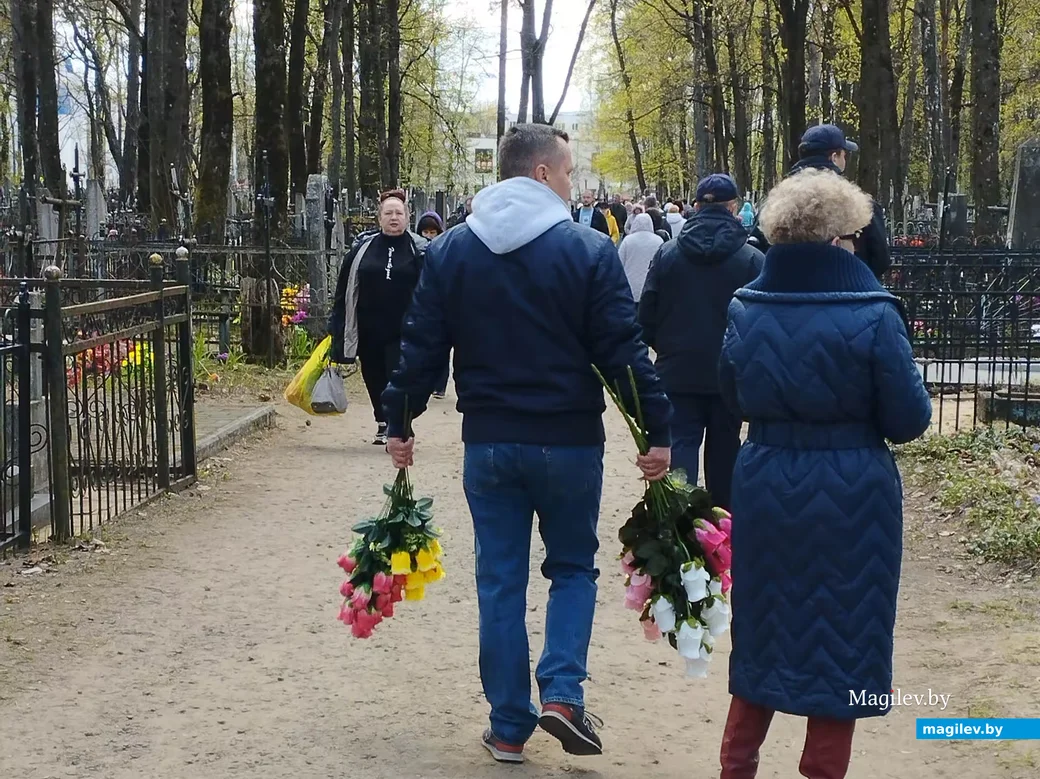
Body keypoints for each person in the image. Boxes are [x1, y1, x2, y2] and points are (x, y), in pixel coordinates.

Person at [381, 123, 672, 764]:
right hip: (569, 440)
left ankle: (509, 724)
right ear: (542, 173)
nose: (572, 184)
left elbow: (421, 346)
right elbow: (623, 355)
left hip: (488, 442)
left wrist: (399, 422)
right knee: (572, 567)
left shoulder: (453, 251)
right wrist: (656, 433)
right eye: (568, 172)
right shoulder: (588, 251)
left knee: (499, 581)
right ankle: (563, 694)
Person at [716, 168, 931, 778]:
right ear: (841, 239)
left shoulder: (745, 308)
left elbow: (731, 396)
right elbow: (908, 419)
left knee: (763, 632)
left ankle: (736, 769)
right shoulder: (873, 311)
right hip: (853, 491)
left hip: (766, 479)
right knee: (845, 634)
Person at [638, 173, 763, 511]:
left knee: (680, 458)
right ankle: (723, 539)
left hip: (677, 372)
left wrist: (666, 345)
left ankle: (681, 542)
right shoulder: (752, 260)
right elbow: (760, 323)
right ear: (734, 207)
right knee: (725, 457)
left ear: (695, 206)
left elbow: (646, 315)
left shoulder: (667, 254)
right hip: (729, 375)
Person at [327, 189, 429, 445]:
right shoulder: (362, 249)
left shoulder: (420, 250)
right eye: (388, 213)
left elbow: (433, 288)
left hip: (405, 329)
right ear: (379, 218)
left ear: (407, 216)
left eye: (398, 213)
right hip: (368, 328)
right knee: (373, 376)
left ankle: (399, 422)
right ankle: (383, 421)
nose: (394, 218)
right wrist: (338, 324)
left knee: (399, 375)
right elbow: (345, 288)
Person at [749, 124, 891, 279]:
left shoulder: (776, 204)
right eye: (844, 155)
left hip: (784, 294)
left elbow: (757, 253)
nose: (845, 160)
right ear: (834, 157)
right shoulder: (859, 204)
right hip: (846, 294)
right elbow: (880, 260)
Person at [416, 211, 450, 398]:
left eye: (432, 232)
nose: (428, 236)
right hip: (422, 302)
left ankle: (440, 384)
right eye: (425, 232)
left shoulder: (445, 251)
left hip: (441, 303)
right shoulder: (414, 250)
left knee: (441, 344)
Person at [618, 213, 663, 300]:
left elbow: (619, 263)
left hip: (630, 284)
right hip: (651, 285)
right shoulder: (658, 241)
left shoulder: (627, 241)